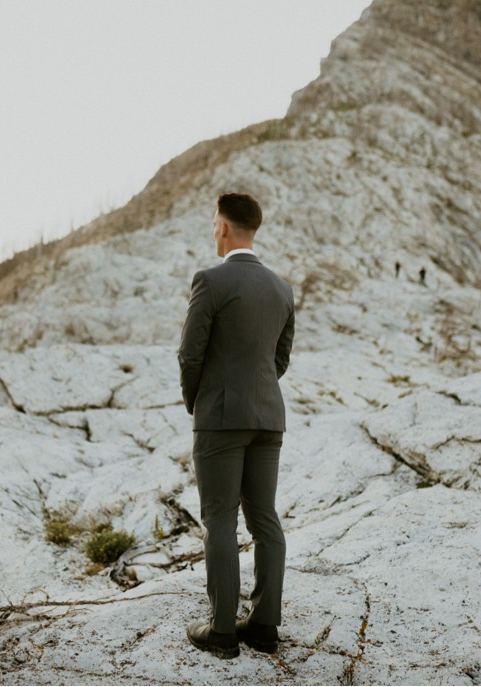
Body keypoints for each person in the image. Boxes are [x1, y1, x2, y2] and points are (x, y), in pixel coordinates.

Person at [177, 192, 295, 659]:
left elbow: (191, 354)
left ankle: (223, 630)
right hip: (269, 417)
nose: (213, 231)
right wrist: (256, 393)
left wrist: (200, 403)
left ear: (224, 228)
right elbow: (279, 360)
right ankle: (264, 625)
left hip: (221, 420)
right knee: (265, 517)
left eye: (213, 224)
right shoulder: (282, 288)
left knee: (220, 518)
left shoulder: (210, 280)